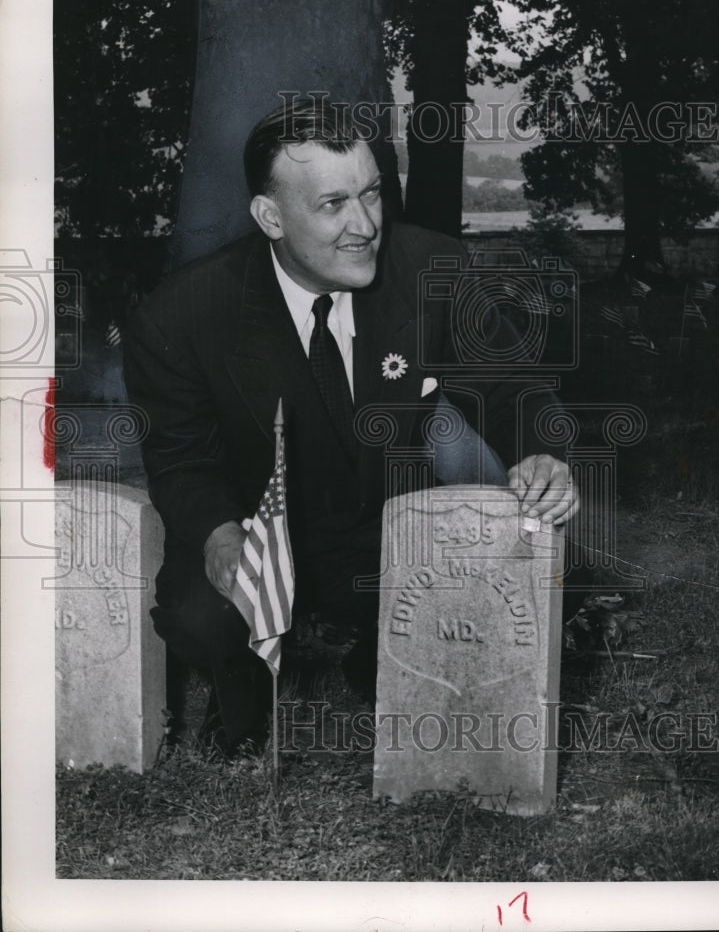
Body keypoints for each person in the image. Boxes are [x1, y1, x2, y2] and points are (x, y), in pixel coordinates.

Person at [124, 98, 579, 756]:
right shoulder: (179, 316)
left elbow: (514, 390)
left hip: (382, 531)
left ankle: (378, 654)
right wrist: (222, 536)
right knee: (203, 618)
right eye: (332, 204)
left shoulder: (434, 270)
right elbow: (180, 459)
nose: (364, 225)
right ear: (270, 216)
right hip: (258, 530)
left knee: (488, 611)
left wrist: (543, 455)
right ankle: (242, 695)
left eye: (370, 194)